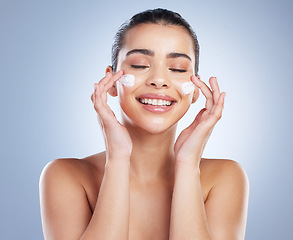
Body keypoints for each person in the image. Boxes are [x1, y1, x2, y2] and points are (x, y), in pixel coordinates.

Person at [39, 8, 249, 240]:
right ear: (110, 81)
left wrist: (188, 165)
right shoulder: (66, 177)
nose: (159, 80)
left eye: (177, 68)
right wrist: (118, 158)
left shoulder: (225, 178)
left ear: (197, 90)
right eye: (139, 65)